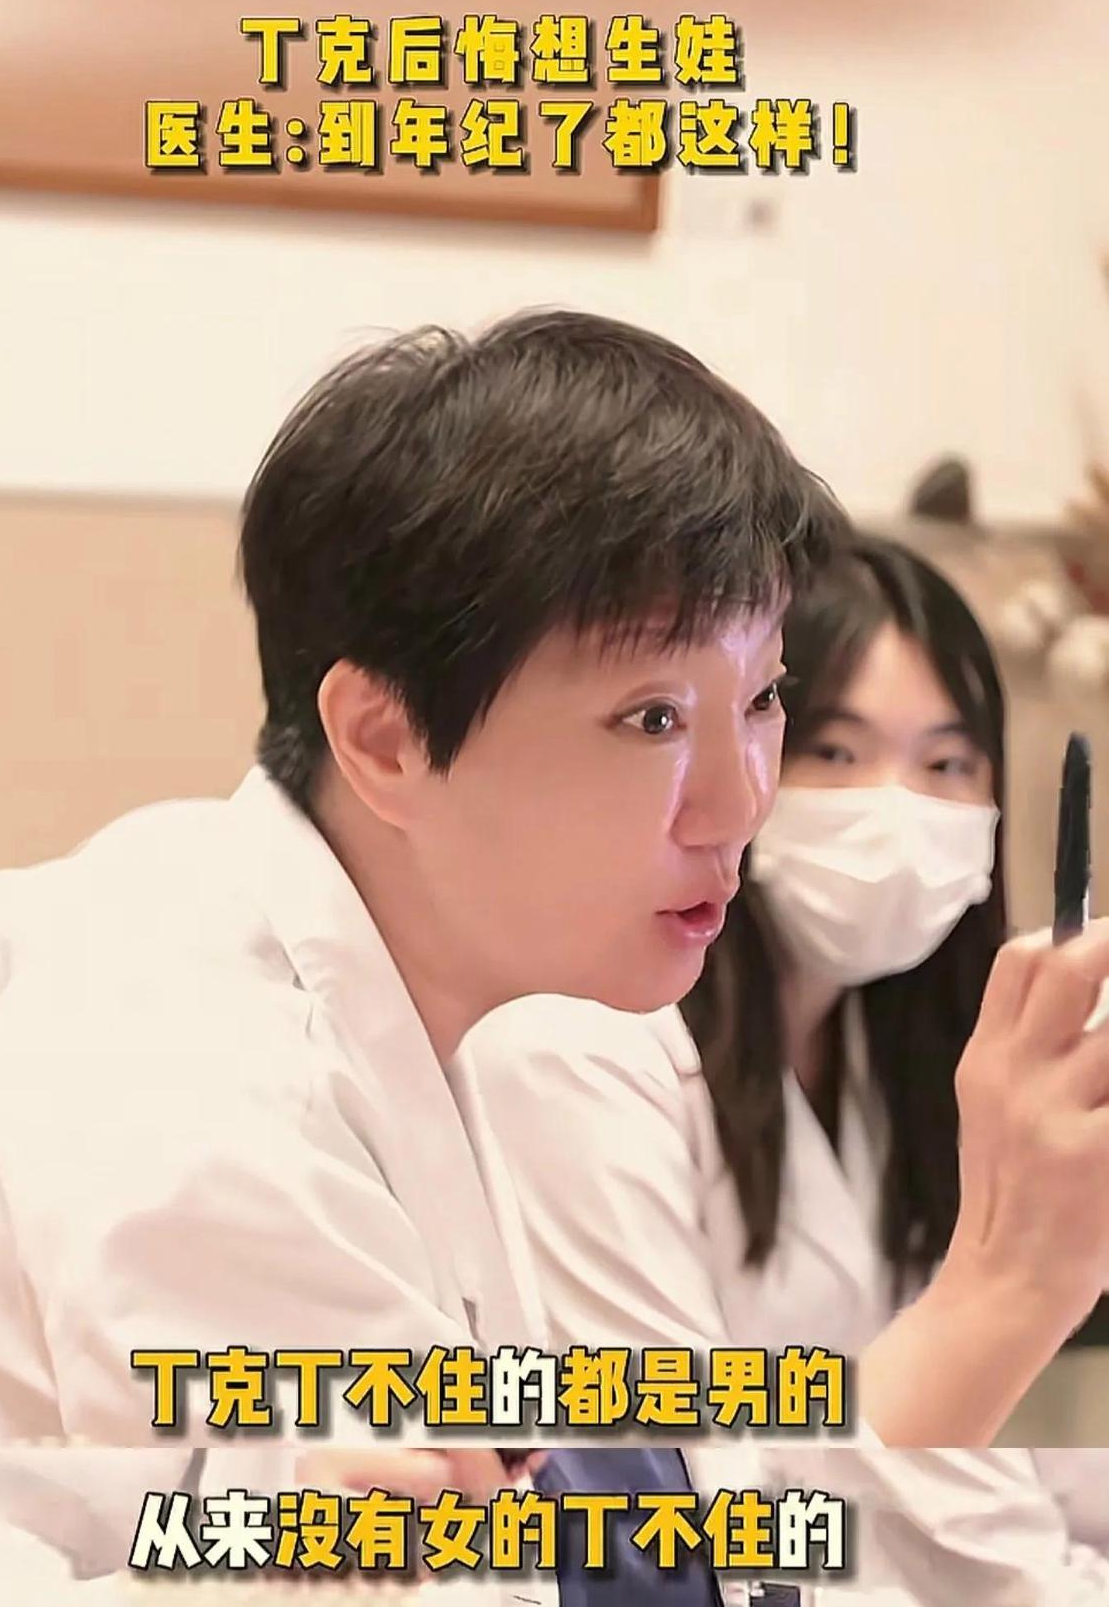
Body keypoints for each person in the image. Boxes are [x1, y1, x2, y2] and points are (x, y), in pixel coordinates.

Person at [0, 313, 1109, 1462]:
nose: (741, 805)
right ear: (386, 739)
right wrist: (1009, 1286)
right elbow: (592, 1564)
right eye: (652, 717)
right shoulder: (202, 1080)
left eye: (764, 698)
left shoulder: (425, 993)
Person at [461, 534, 1109, 1601]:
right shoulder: (576, 1051)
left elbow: (967, 1484)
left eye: (949, 765)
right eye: (839, 755)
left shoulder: (898, 1067)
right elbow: (686, 1530)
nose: (897, 810)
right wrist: (1009, 1287)